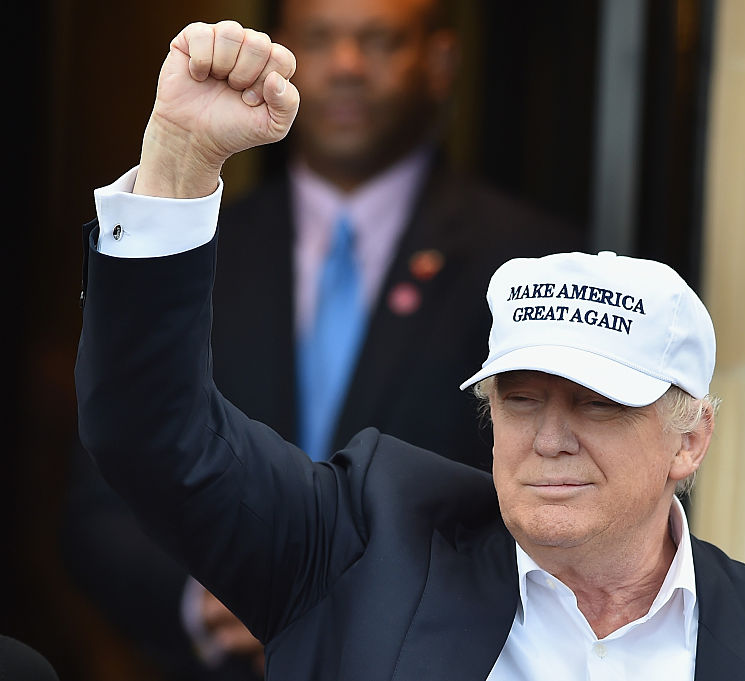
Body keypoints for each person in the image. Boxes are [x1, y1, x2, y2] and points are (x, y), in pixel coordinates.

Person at [74, 21, 745, 681]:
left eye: (596, 401)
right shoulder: (363, 548)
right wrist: (181, 160)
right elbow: (156, 432)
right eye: (521, 397)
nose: (550, 435)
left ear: (689, 439)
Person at [61, 1, 579, 678]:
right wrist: (200, 595)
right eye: (320, 39)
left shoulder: (531, 265)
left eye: (380, 41)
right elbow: (108, 487)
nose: (346, 67)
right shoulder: (195, 242)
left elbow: (559, 502)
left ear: (442, 62)